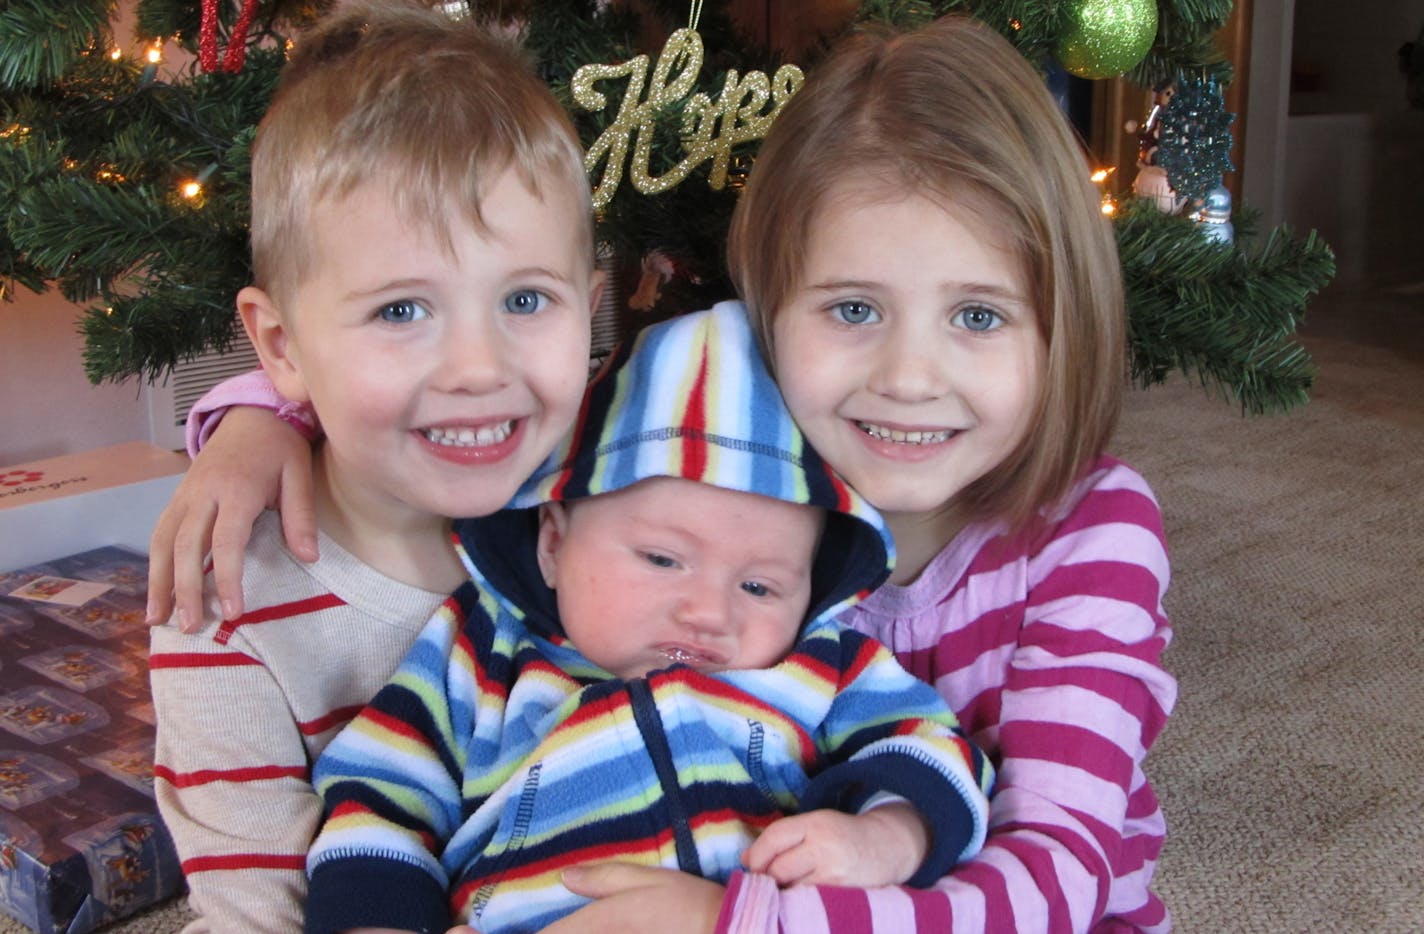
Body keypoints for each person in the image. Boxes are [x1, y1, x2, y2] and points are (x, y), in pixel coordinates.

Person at [152, 13, 1176, 933]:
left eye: (979, 314)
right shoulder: (695, 454)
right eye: (853, 310)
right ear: (767, 315)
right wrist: (252, 421)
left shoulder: (1025, 516)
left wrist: (761, 907)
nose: (907, 380)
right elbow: (375, 800)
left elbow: (1043, 862)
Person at [302, 302, 994, 934]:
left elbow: (931, 744)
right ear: (553, 542)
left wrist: (886, 836)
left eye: (759, 585)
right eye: (662, 559)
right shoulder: (483, 653)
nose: (707, 612)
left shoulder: (822, 664)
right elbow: (381, 797)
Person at [147, 3, 603, 931]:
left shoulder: (617, 492)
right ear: (280, 345)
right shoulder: (230, 608)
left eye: (526, 297)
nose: (479, 369)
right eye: (401, 311)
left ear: (591, 309)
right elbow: (258, 913)